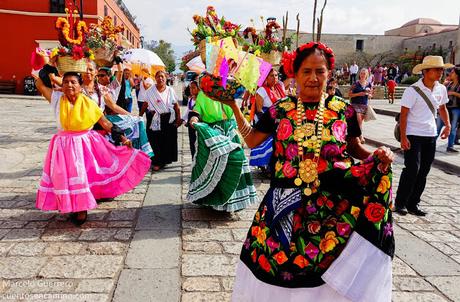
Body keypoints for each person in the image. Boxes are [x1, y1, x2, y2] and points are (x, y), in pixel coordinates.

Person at [207, 42, 394, 301]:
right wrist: (233, 105)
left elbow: (355, 147)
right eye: (306, 71)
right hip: (284, 205)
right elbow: (251, 140)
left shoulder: (343, 110)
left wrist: (377, 156)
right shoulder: (279, 110)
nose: (313, 78)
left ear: (329, 73)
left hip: (332, 210)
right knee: (275, 266)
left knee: (327, 273)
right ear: (295, 74)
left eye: (320, 71)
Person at [32, 71, 151, 225]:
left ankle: (81, 209)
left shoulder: (89, 104)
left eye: (73, 82)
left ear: (80, 86)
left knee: (81, 176)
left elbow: (105, 123)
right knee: (64, 177)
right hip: (63, 145)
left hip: (84, 144)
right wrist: (50, 64)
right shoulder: (56, 99)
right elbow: (39, 84)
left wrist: (122, 138)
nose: (69, 85)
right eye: (66, 82)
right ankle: (70, 205)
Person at [394, 56, 453, 216]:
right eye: (437, 69)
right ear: (426, 72)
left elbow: (442, 108)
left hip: (430, 134)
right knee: (412, 169)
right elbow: (404, 115)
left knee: (424, 170)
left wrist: (447, 125)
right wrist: (404, 137)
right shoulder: (412, 90)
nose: (441, 72)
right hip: (413, 134)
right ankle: (400, 203)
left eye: (441, 69)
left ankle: (413, 203)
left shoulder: (441, 88)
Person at [187, 89, 257, 212]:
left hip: (230, 131)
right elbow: (196, 110)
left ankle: (232, 201)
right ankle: (214, 202)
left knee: (235, 162)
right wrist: (194, 119)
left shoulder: (229, 93)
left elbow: (237, 111)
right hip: (214, 134)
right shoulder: (204, 95)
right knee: (216, 166)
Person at [139, 70, 181, 171]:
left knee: (166, 140)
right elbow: (145, 104)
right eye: (158, 77)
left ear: (166, 78)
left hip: (168, 119)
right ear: (155, 78)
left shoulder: (170, 90)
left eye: (162, 76)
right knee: (154, 140)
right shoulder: (150, 91)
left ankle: (164, 160)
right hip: (154, 119)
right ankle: (157, 161)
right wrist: (139, 116)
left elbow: (176, 106)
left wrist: (178, 119)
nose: (160, 78)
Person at [249, 69, 286, 171]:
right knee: (271, 141)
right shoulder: (261, 90)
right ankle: (266, 165)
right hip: (265, 120)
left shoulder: (279, 88)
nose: (274, 78)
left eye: (276, 76)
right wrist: (270, 121)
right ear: (266, 78)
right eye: (271, 76)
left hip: (278, 119)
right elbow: (259, 109)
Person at [436, 65, 460, 152]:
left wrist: (453, 93)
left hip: (455, 109)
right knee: (438, 127)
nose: (451, 73)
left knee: (453, 127)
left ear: (457, 74)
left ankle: (450, 146)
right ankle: (430, 143)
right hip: (445, 108)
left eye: (453, 72)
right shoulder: (448, 84)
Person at [348, 68, 373, 143]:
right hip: (355, 105)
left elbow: (371, 94)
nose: (362, 75)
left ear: (367, 75)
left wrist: (369, 95)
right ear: (359, 74)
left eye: (364, 74)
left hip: (364, 105)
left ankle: (356, 137)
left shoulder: (369, 84)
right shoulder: (355, 84)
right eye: (361, 73)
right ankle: (361, 136)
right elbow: (349, 94)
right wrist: (359, 94)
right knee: (358, 119)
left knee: (360, 122)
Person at [182, 81, 199, 158]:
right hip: (190, 125)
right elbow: (187, 111)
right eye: (190, 88)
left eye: (193, 88)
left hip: (198, 123)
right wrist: (184, 120)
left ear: (199, 89)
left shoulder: (200, 100)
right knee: (192, 142)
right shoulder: (190, 99)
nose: (191, 90)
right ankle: (193, 159)